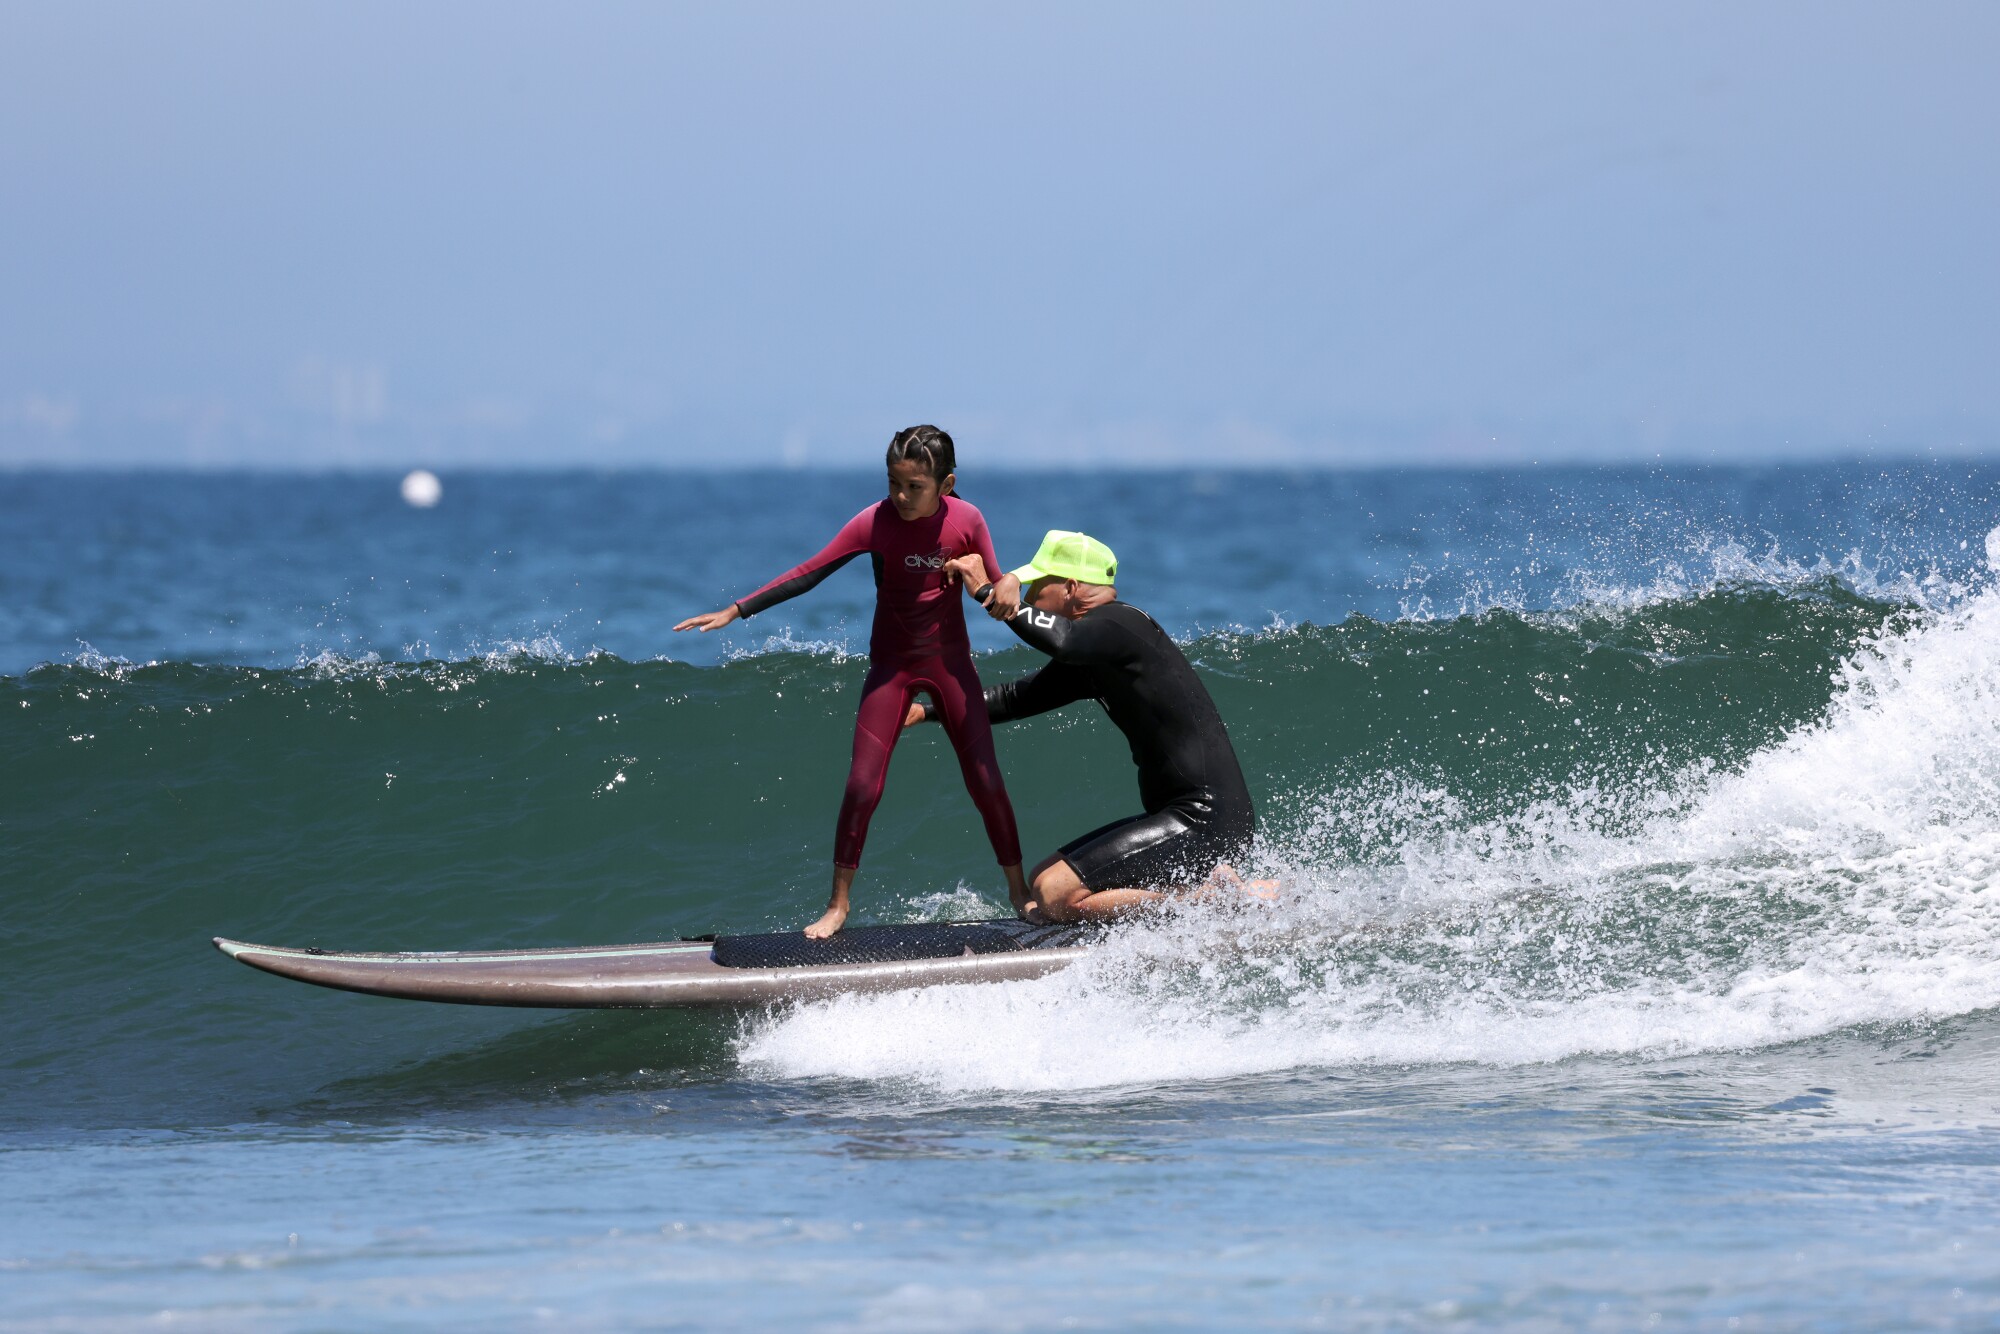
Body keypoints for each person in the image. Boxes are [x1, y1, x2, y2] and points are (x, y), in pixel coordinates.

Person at [674, 426, 1031, 938]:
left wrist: (1008, 584)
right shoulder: (876, 522)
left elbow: (998, 593)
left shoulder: (968, 521)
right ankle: (838, 905)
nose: (901, 497)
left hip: (952, 665)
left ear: (946, 484)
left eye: (914, 487)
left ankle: (1019, 893)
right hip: (892, 666)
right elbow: (810, 571)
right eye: (894, 483)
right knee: (862, 785)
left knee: (986, 781)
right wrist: (736, 610)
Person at [911, 530, 1259, 923]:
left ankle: (1211, 902)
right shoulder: (1097, 655)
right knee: (1043, 876)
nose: (1028, 596)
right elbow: (1013, 698)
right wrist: (926, 711)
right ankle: (1203, 892)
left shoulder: (1121, 624)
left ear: (1071, 588)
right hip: (1178, 818)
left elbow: (1065, 640)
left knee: (1056, 893)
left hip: (1204, 820)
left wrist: (989, 594)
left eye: (1038, 585)